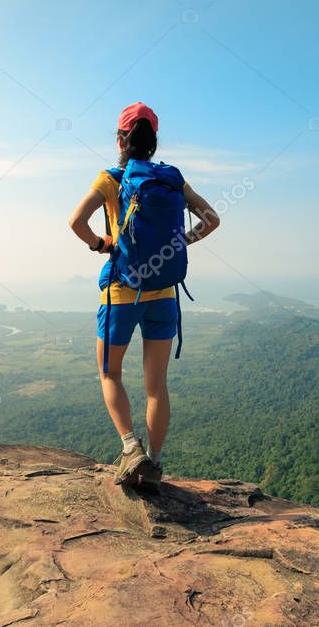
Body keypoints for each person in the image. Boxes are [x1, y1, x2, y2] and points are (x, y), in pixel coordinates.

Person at [68, 102, 220, 488]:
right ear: (154, 140)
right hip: (165, 293)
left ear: (120, 139)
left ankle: (129, 447)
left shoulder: (112, 179)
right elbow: (212, 220)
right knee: (157, 385)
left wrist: (101, 244)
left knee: (110, 372)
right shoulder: (172, 179)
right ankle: (153, 461)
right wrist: (179, 243)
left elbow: (75, 222)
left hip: (122, 292)